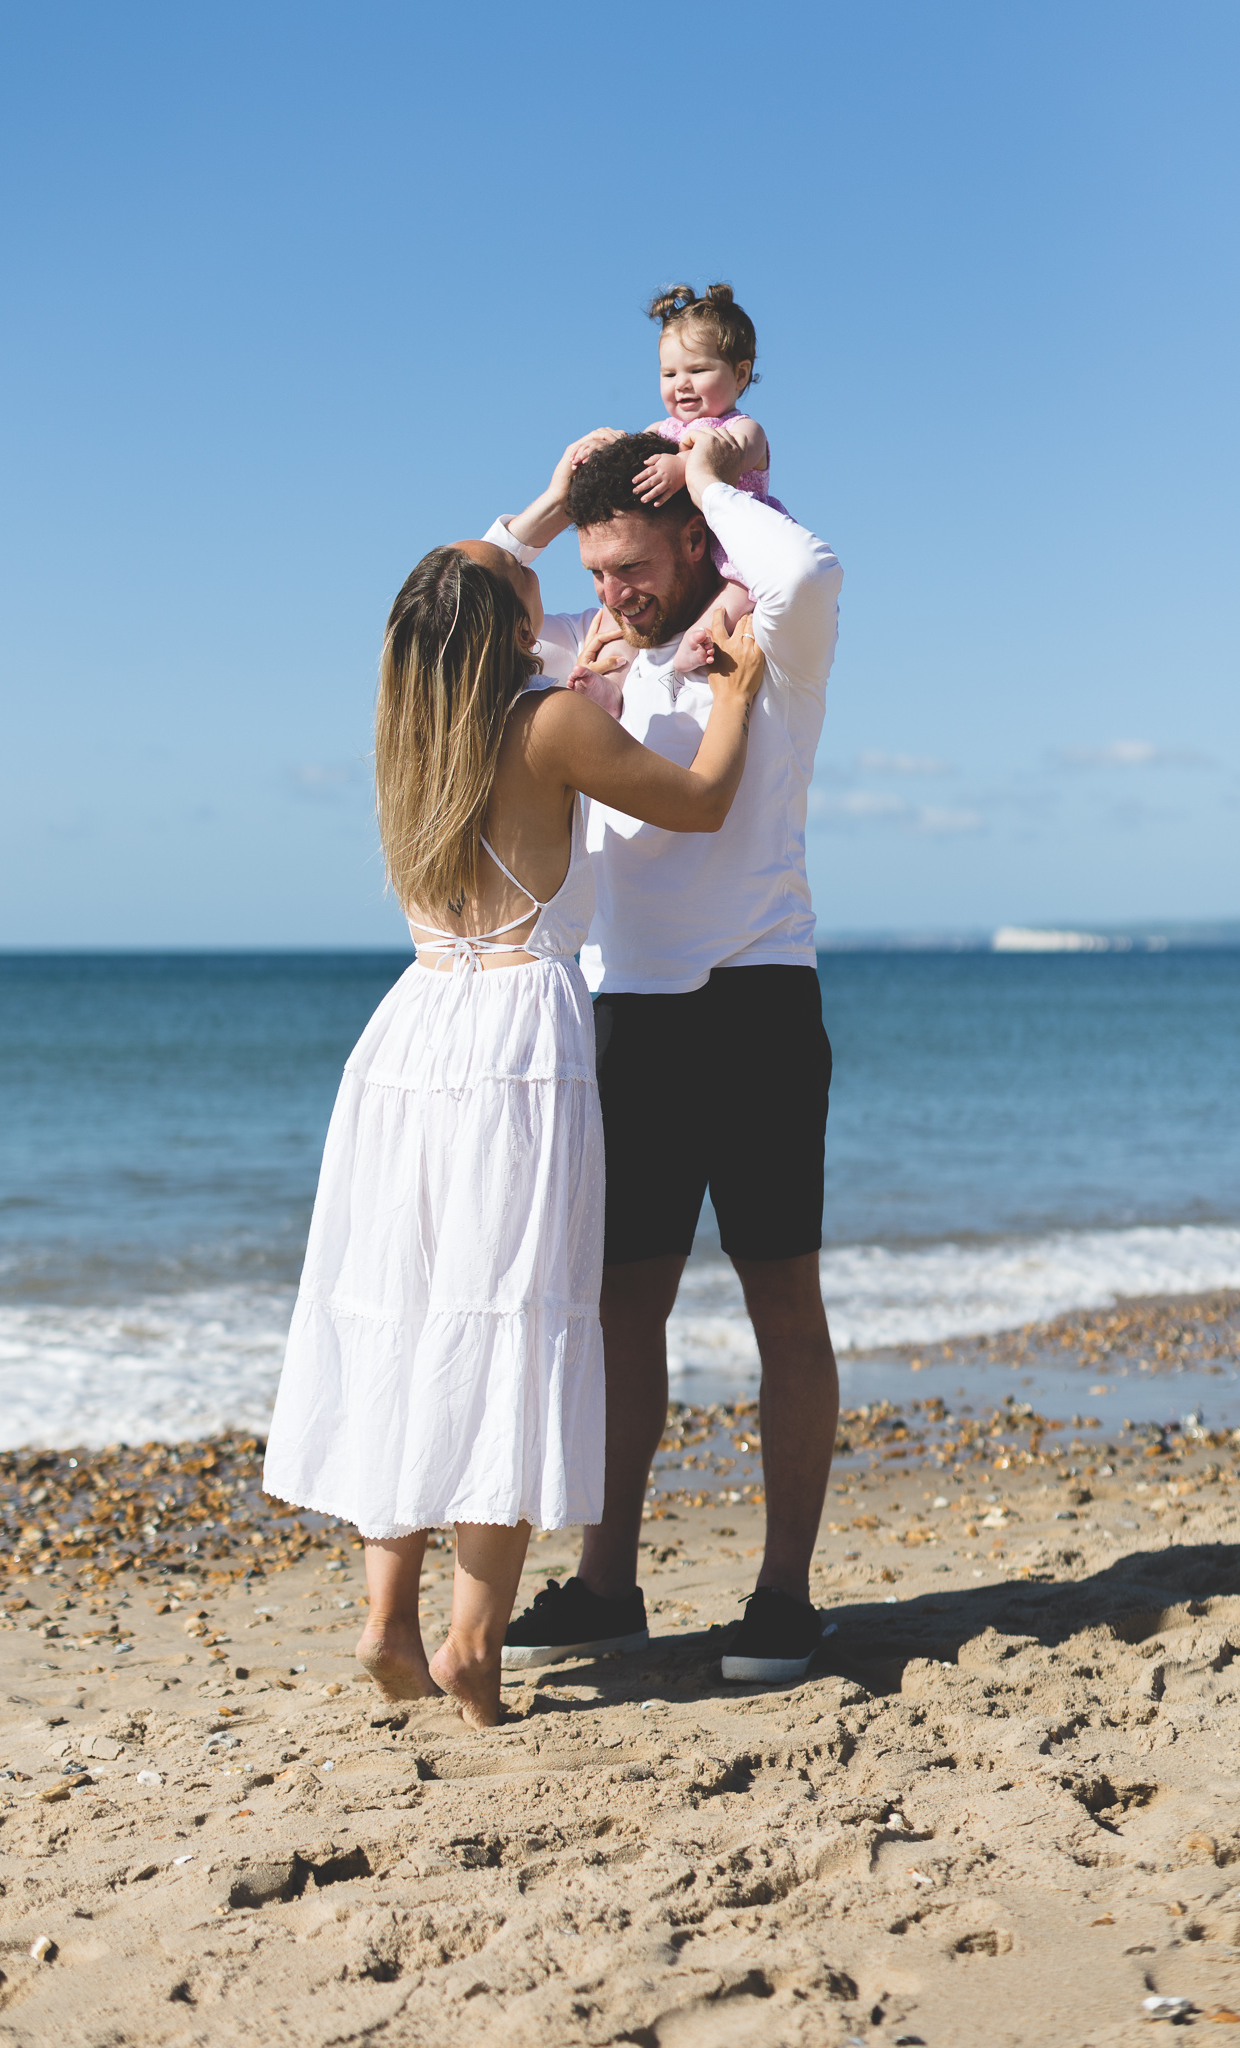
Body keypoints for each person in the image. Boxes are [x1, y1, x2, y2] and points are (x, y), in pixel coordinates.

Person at [261, 540, 764, 1728]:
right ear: (502, 635)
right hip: (515, 1044)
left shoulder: (411, 738)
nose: (564, 616)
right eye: (539, 606)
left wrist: (584, 676)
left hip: (411, 1032)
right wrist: (734, 697)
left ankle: (388, 1611)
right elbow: (698, 803)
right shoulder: (546, 728)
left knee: (413, 1314)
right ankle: (470, 1641)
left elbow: (510, 704)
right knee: (512, 1326)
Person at [487, 423, 843, 1686]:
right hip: (622, 1014)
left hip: (755, 1001)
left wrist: (704, 475)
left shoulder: (770, 638)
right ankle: (606, 1583)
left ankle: (785, 1596)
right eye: (595, 570)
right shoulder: (595, 651)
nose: (613, 593)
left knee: (778, 1302)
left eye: (631, 564)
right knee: (617, 1311)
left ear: (696, 538)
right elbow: (456, 603)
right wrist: (545, 504)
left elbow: (809, 569)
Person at [567, 283, 785, 709]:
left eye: (698, 371)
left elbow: (731, 457)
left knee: (736, 594)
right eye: (669, 374)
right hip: (687, 541)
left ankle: (700, 637)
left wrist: (684, 466)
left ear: (740, 374)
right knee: (629, 628)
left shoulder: (744, 428)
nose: (681, 385)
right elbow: (628, 457)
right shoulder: (662, 430)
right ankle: (616, 685)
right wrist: (605, 447)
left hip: (732, 547)